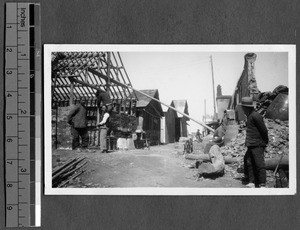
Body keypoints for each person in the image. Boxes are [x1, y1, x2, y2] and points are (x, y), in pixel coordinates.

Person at [241, 97, 269, 188]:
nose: (243, 110)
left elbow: (264, 130)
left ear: (247, 107)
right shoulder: (250, 116)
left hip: (257, 144)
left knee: (259, 164)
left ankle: (262, 184)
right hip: (251, 144)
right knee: (249, 162)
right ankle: (252, 182)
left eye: (243, 108)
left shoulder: (255, 116)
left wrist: (265, 142)